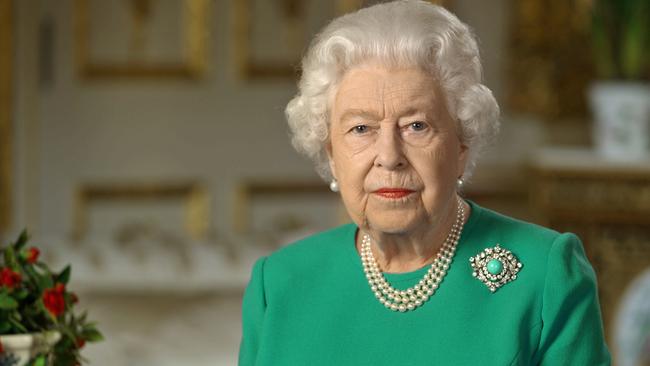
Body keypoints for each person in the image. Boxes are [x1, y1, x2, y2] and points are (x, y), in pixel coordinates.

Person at [239, 1, 611, 365]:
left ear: (462, 145)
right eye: (361, 128)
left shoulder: (545, 274)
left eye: (416, 126)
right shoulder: (279, 284)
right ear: (332, 154)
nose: (389, 155)